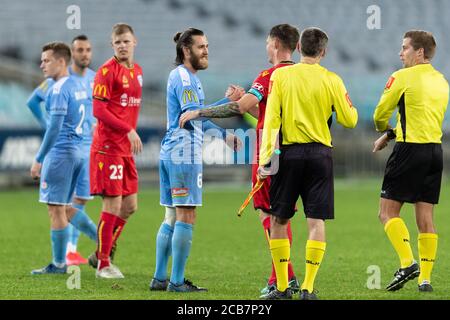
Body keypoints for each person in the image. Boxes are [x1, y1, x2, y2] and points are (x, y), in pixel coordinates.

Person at [179, 24, 301, 296]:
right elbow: (267, 114)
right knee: (280, 215)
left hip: (271, 153)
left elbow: (239, 108)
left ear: (276, 45)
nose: (266, 48)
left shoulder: (269, 75)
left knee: (270, 215)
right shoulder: (302, 75)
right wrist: (243, 99)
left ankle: (280, 278)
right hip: (297, 152)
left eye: (268, 43)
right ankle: (285, 276)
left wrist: (200, 112)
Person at [257, 27, 358, 300]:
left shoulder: (281, 76)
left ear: (299, 47)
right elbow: (350, 120)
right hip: (320, 156)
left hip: (288, 154)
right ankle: (308, 288)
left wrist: (266, 157)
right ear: (323, 52)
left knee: (279, 218)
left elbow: (272, 121)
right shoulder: (333, 80)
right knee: (316, 221)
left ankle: (280, 288)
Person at [149, 28, 243, 292]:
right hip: (184, 152)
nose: (206, 51)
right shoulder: (185, 78)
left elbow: (195, 116)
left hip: (171, 150)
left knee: (170, 215)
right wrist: (228, 101)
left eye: (207, 46)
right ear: (186, 50)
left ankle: (159, 278)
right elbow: (193, 115)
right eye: (201, 47)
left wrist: (223, 136)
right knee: (186, 216)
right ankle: (176, 282)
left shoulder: (186, 77)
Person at [372, 30, 449, 292]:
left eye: (404, 48)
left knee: (386, 212)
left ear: (419, 52)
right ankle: (425, 279)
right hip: (435, 152)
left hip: (409, 150)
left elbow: (380, 114)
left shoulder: (402, 77)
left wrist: (386, 132)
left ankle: (407, 263)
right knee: (425, 217)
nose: (400, 53)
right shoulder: (442, 80)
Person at [27, 35, 97, 266]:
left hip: (62, 153)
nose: (42, 65)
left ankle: (58, 264)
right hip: (81, 151)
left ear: (60, 62)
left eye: (46, 60)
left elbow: (55, 127)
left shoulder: (57, 89)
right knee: (68, 206)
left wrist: (38, 159)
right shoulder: (79, 84)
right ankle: (103, 242)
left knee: (56, 208)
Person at [89, 23, 143, 279]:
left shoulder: (138, 72)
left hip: (124, 149)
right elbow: (98, 110)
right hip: (108, 147)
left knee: (130, 205)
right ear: (113, 45)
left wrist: (128, 133)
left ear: (135, 43)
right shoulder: (106, 72)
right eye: (118, 42)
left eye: (126, 41)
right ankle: (103, 263)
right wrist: (128, 130)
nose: (123, 46)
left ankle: (102, 250)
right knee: (112, 205)